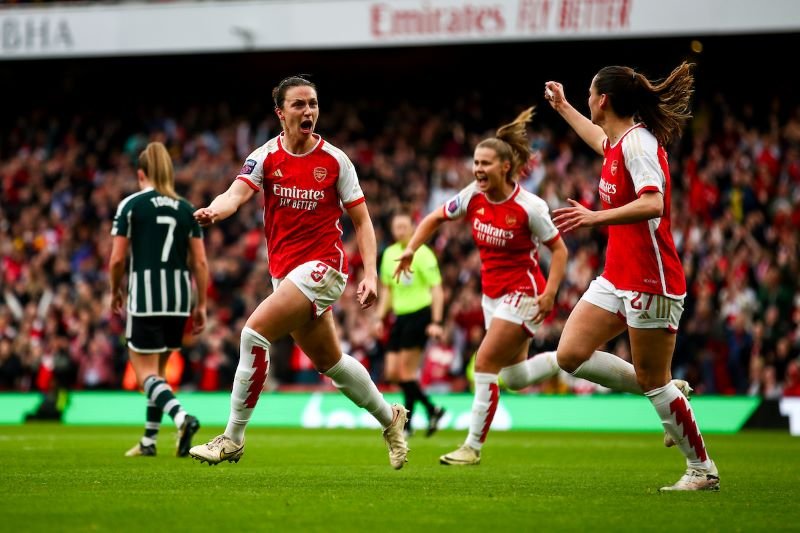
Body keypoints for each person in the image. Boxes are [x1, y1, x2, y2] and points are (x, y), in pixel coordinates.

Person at [188, 76, 408, 469]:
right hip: (286, 274)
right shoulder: (265, 156)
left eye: (313, 104)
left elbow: (363, 221)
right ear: (280, 113)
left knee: (253, 333)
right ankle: (390, 419)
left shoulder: (335, 161)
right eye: (299, 105)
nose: (308, 112)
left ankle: (232, 438)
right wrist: (214, 211)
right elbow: (235, 194)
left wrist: (371, 273)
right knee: (332, 364)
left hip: (324, 268)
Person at [544, 62, 720, 491]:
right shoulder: (618, 142)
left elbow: (654, 203)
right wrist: (565, 107)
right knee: (570, 354)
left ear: (604, 100)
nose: (587, 99)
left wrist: (594, 217)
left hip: (651, 278)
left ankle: (701, 469)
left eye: (587, 94)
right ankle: (666, 388)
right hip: (616, 276)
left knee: (651, 381)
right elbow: (597, 139)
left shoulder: (639, 145)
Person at [395, 108, 568, 465]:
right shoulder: (473, 194)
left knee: (484, 362)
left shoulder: (529, 206)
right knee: (516, 377)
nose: (477, 170)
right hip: (493, 297)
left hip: (523, 293)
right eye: (475, 162)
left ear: (505, 166)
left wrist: (550, 292)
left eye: (485, 163)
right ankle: (576, 359)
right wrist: (411, 248)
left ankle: (471, 447)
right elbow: (434, 218)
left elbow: (559, 249)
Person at [109, 141, 207, 457]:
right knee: (160, 374)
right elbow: (201, 263)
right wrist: (201, 304)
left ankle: (181, 418)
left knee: (145, 374)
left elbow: (117, 260)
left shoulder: (131, 205)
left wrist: (115, 289)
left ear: (141, 174)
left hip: (147, 296)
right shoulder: (187, 209)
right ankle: (149, 441)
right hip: (179, 298)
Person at [376, 211, 446, 437]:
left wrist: (436, 321)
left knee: (406, 372)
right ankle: (432, 409)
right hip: (400, 317)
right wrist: (379, 317)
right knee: (393, 372)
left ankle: (408, 424)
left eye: (404, 227)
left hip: (420, 315)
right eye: (397, 227)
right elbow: (387, 289)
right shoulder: (388, 254)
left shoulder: (423, 254)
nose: (400, 231)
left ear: (413, 228)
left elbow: (436, 289)